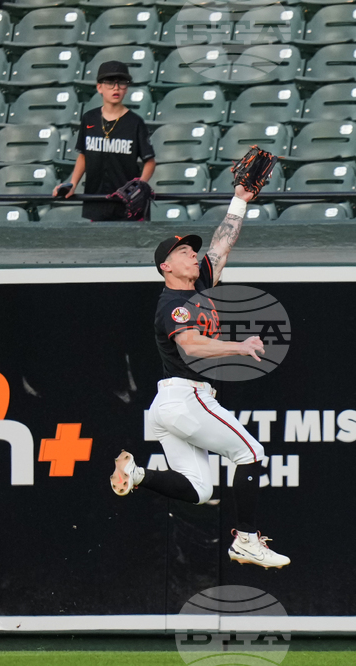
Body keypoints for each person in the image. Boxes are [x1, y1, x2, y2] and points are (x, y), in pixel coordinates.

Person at [109, 185, 291, 570]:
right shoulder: (173, 305)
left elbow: (222, 244)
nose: (193, 255)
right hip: (186, 397)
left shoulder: (201, 284)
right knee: (251, 453)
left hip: (168, 406)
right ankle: (247, 540)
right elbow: (191, 345)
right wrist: (239, 347)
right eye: (183, 253)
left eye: (192, 251)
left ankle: (136, 474)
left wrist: (240, 199)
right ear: (165, 267)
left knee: (199, 489)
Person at [53, 61, 155, 221]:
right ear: (99, 87)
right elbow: (84, 156)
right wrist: (72, 184)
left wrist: (140, 186)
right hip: (96, 201)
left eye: (121, 83)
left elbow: (150, 161)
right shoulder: (89, 118)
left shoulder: (135, 122)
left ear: (126, 88)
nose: (116, 88)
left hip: (127, 204)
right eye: (110, 83)